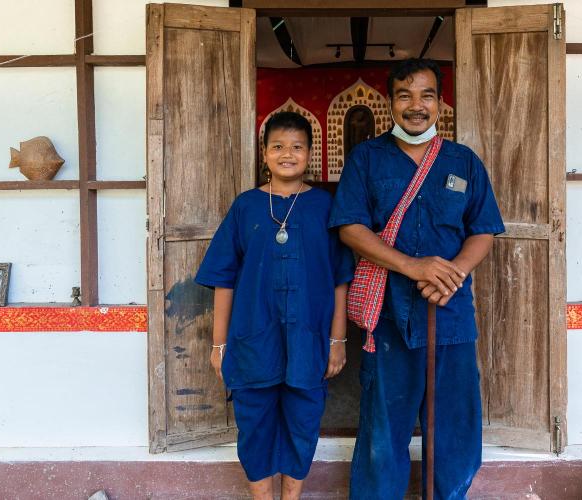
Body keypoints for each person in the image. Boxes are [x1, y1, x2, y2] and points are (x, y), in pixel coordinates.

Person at [329, 58, 505, 499]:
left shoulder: (463, 161)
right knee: (383, 427)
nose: (416, 106)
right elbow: (350, 227)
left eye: (426, 95)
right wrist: (413, 267)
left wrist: (453, 273)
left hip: (451, 314)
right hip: (390, 316)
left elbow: (483, 229)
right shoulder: (367, 158)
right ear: (390, 102)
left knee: (454, 425)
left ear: (441, 103)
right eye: (405, 95)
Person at [195, 112, 355, 500]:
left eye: (297, 147)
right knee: (255, 426)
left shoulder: (324, 207)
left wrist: (337, 340)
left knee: (303, 423)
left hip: (309, 341)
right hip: (253, 342)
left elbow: (340, 279)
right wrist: (219, 345)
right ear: (264, 154)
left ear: (310, 154)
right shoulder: (247, 206)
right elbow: (223, 278)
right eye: (278, 146)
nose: (288, 154)